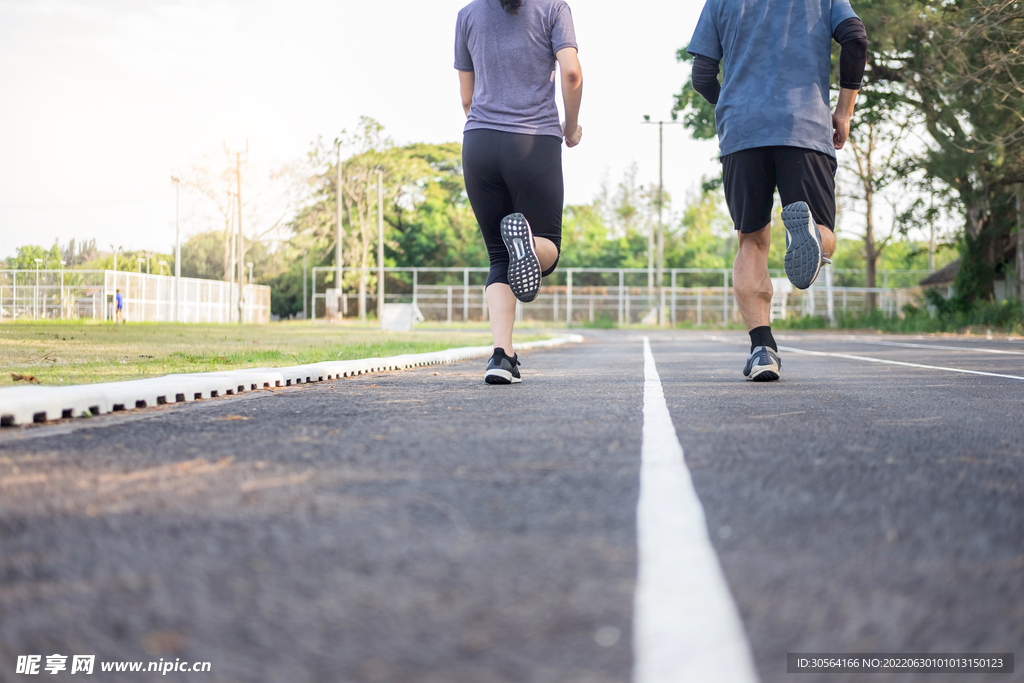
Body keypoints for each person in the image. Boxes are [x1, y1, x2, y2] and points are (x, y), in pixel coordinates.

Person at [688, 0, 868, 381]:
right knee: (824, 234)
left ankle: (762, 350)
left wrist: (735, 106)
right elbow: (855, 38)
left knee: (750, 240)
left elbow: (702, 74)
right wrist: (844, 112)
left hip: (743, 132)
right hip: (804, 127)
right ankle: (810, 237)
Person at [455, 0, 583, 384]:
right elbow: (572, 74)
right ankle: (527, 241)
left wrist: (488, 126)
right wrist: (571, 127)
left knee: (499, 255)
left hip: (478, 142)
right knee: (549, 247)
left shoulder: (468, 15)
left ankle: (501, 356)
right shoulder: (553, 8)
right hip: (533, 141)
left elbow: (466, 97)